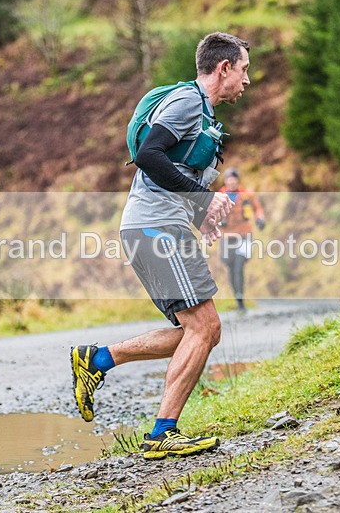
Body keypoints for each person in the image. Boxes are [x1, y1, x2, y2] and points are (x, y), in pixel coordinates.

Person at [70, 32, 251, 460]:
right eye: (244, 70)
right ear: (223, 68)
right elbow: (150, 156)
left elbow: (172, 174)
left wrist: (199, 215)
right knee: (204, 328)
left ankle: (97, 361)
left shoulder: (205, 116)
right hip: (154, 230)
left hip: (159, 228)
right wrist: (205, 199)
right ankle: (161, 433)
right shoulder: (188, 102)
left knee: (204, 331)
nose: (247, 81)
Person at [218, 168, 265, 312]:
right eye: (228, 179)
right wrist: (217, 222)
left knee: (239, 266)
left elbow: (258, 209)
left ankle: (241, 302)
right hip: (227, 237)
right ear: (225, 181)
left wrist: (260, 219)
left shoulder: (246, 195)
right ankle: (238, 300)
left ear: (238, 180)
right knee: (230, 267)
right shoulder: (220, 195)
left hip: (244, 235)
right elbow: (210, 213)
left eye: (234, 179)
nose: (231, 181)